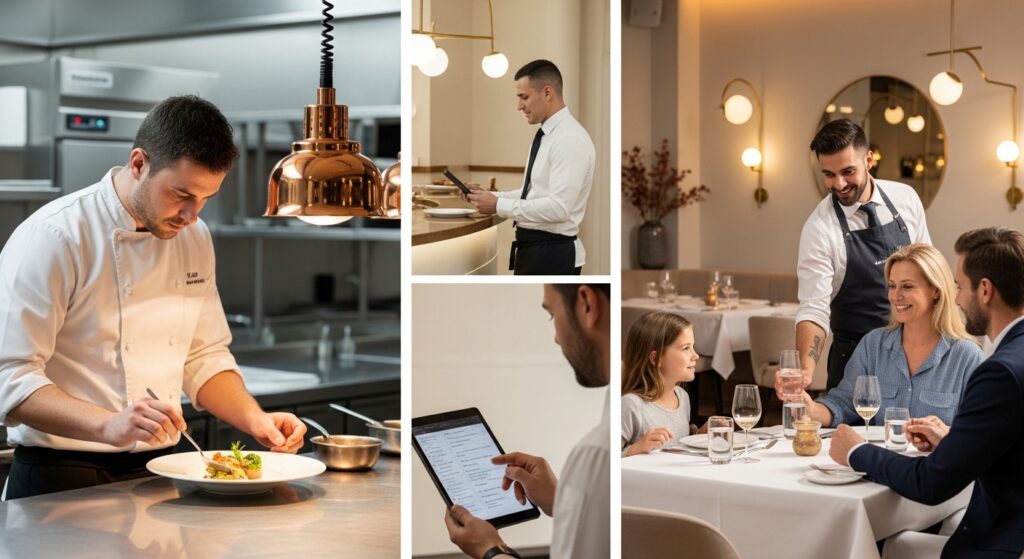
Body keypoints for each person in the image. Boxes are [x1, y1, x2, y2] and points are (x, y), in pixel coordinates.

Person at [0, 96, 306, 500]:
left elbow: (205, 357)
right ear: (139, 164)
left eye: (206, 199)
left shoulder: (193, 236)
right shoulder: (56, 236)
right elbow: (10, 377)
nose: (191, 215)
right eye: (181, 195)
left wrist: (255, 419)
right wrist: (108, 425)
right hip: (62, 477)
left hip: (162, 472)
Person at [830, 227, 1024, 558]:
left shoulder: (998, 371)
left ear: (986, 290)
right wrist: (953, 440)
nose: (959, 298)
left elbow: (931, 484)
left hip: (1001, 542)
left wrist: (856, 452)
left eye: (961, 287)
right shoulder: (1013, 357)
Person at [444, 284, 610, 559]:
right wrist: (563, 502)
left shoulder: (597, 455)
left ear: (587, 304)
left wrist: (490, 551)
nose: (556, 337)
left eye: (551, 314)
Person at [779, 244, 982, 427]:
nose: (895, 295)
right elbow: (842, 404)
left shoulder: (966, 356)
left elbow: (978, 434)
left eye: (907, 286)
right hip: (880, 464)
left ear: (936, 291)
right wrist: (808, 407)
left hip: (936, 467)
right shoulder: (873, 344)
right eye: (892, 285)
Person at [797, 119, 931, 391]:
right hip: (855, 361)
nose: (839, 184)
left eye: (848, 171)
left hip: (915, 351)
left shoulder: (905, 198)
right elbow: (814, 308)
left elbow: (929, 273)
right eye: (829, 174)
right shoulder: (819, 229)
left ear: (869, 160)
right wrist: (804, 372)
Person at [463, 59, 596, 275]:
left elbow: (559, 208)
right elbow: (535, 193)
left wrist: (498, 205)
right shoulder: (548, 136)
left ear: (547, 93)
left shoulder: (569, 139)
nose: (519, 106)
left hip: (552, 255)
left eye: (524, 97)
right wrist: (492, 197)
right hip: (535, 250)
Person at [621, 311, 705, 456]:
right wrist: (636, 448)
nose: (695, 355)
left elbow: (678, 445)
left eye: (693, 347)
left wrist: (699, 434)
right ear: (656, 358)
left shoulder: (682, 396)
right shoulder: (631, 405)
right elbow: (606, 460)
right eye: (686, 348)